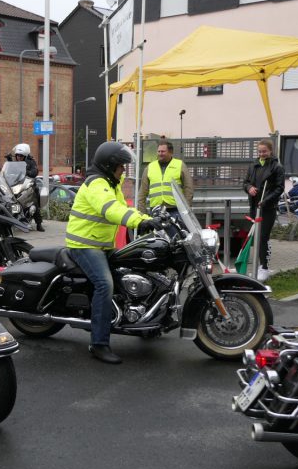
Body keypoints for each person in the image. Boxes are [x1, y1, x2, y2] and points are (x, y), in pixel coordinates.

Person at [65, 142, 162, 365]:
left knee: (134, 268)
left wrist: (148, 218)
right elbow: (111, 210)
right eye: (121, 166)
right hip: (85, 245)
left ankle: (145, 321)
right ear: (110, 166)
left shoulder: (110, 183)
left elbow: (124, 208)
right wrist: (141, 221)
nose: (124, 170)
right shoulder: (96, 184)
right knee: (104, 284)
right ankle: (98, 344)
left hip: (101, 244)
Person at [241, 139, 285, 283]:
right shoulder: (253, 166)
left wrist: (266, 200)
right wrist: (249, 188)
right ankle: (259, 263)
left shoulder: (276, 167)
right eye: (259, 151)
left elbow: (280, 188)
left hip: (267, 207)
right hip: (254, 206)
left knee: (262, 237)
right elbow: (245, 182)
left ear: (270, 151)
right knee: (257, 237)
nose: (262, 154)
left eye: (264, 151)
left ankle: (264, 267)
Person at [136, 139, 193, 213]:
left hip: (176, 209)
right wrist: (142, 212)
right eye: (158, 151)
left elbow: (188, 188)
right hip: (155, 210)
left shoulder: (179, 165)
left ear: (171, 152)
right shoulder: (150, 167)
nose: (160, 153)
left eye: (163, 151)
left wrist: (186, 209)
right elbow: (142, 192)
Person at [11, 143, 44, 231]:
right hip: (17, 184)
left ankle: (39, 223)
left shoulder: (31, 162)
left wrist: (28, 172)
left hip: (28, 184)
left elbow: (34, 172)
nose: (19, 157)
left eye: (21, 156)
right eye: (17, 156)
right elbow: (10, 171)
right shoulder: (15, 162)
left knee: (34, 200)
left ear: (25, 156)